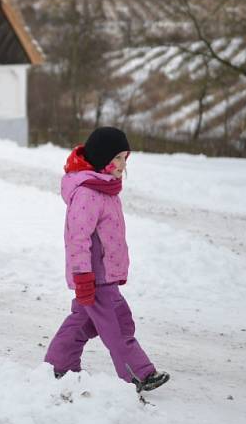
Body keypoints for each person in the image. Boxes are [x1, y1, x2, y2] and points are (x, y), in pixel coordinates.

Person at [44, 127, 170, 393]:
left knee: (82, 320)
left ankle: (58, 364)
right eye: (119, 158)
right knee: (118, 323)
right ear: (103, 158)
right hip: (94, 277)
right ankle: (138, 373)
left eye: (126, 158)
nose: (124, 165)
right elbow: (77, 239)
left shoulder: (105, 189)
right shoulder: (89, 193)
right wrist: (83, 277)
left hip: (101, 275)